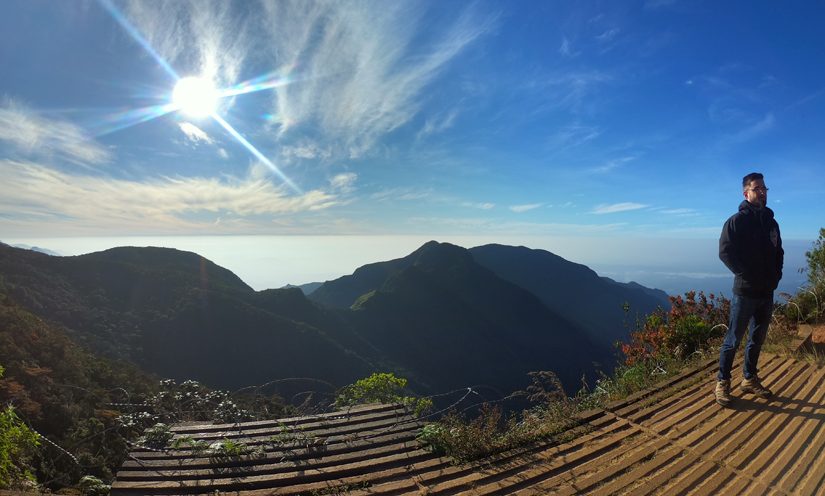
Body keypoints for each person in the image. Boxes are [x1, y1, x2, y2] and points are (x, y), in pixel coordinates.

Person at [715, 172, 783, 407]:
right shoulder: (736, 221)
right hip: (745, 292)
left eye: (764, 188)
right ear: (746, 193)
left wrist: (776, 276)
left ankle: (749, 379)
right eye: (757, 188)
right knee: (733, 339)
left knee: (757, 338)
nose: (762, 192)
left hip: (766, 291)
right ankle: (722, 383)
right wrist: (745, 274)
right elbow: (725, 251)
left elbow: (779, 252)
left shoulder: (772, 223)